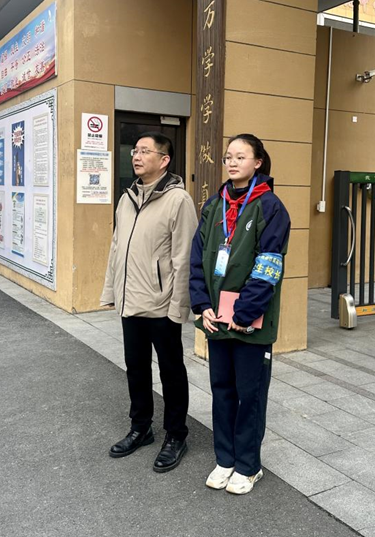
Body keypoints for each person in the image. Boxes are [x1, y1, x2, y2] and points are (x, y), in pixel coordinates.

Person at [190, 134, 291, 495]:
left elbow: (269, 266)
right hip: (217, 317)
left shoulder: (270, 207)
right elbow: (197, 258)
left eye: (241, 156)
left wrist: (245, 313)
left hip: (250, 322)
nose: (232, 162)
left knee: (250, 394)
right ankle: (225, 459)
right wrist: (202, 304)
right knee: (221, 390)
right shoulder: (213, 205)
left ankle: (248, 466)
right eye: (228, 157)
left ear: (258, 162)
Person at [100, 132, 197, 473]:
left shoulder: (178, 200)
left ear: (164, 159)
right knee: (136, 368)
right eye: (135, 151)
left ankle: (176, 434)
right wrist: (111, 292)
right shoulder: (127, 198)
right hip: (131, 302)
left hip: (162, 304)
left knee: (171, 371)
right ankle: (141, 427)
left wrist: (178, 307)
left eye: (145, 151)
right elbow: (116, 248)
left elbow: (185, 257)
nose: (136, 156)